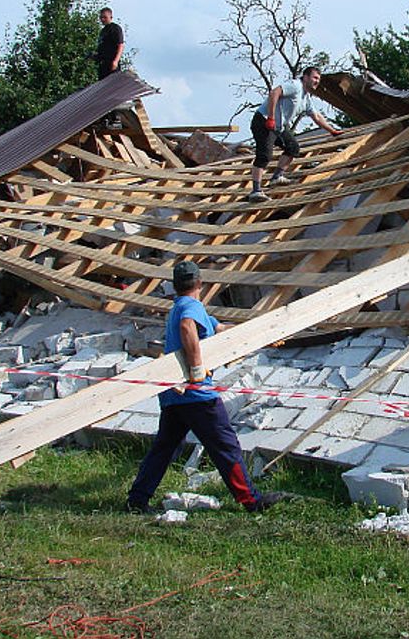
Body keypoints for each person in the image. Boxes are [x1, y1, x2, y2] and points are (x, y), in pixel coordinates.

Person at [126, 261, 283, 514]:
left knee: (164, 448)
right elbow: (188, 327)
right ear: (200, 283)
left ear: (176, 286)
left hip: (174, 396)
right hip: (195, 395)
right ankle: (251, 500)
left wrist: (263, 338)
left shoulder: (181, 307)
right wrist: (197, 368)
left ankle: (137, 500)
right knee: (226, 445)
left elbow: (223, 331)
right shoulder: (191, 307)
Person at [246, 67, 342, 202]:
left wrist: (332, 131)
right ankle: (255, 191)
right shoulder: (295, 86)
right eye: (314, 78)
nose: (316, 82)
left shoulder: (306, 98)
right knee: (265, 155)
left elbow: (317, 117)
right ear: (306, 77)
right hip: (263, 120)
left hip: (278, 126)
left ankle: (277, 177)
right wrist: (271, 117)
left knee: (293, 147)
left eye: (318, 79)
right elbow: (274, 92)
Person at [95, 7, 125, 80]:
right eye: (101, 17)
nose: (102, 19)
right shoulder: (102, 31)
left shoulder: (115, 28)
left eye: (105, 17)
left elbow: (121, 45)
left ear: (111, 17)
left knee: (112, 86)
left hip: (112, 64)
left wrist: (115, 61)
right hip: (103, 65)